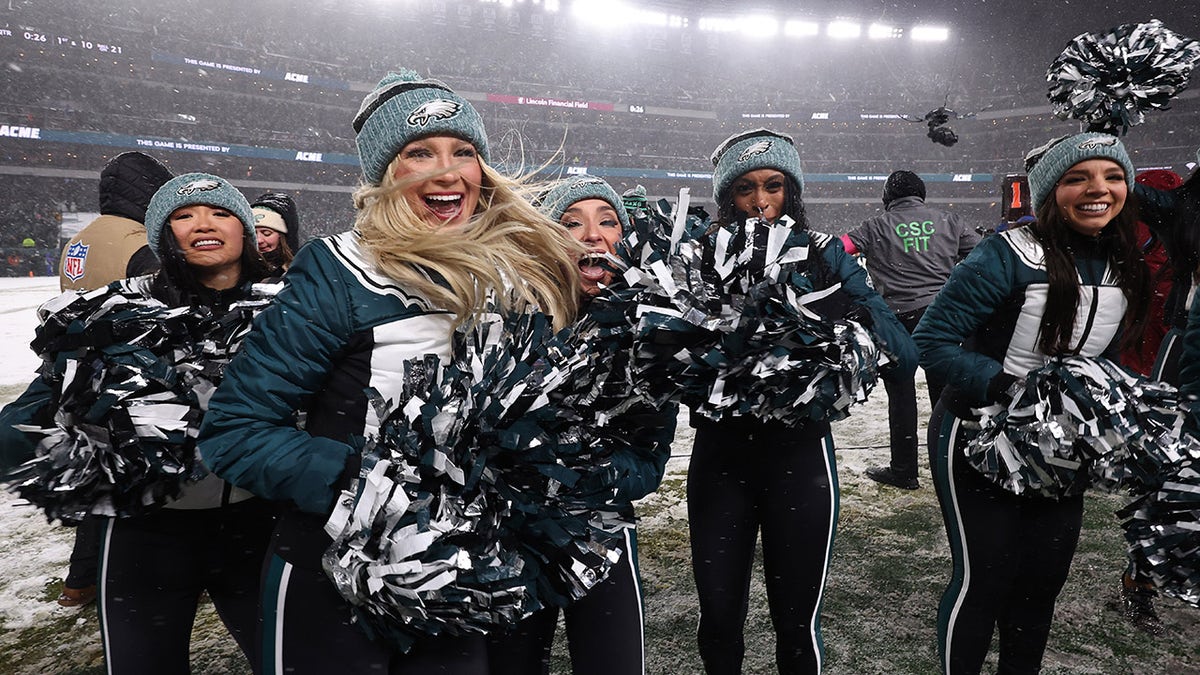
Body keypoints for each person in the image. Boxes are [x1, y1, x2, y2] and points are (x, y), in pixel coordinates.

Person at [196, 70, 582, 674]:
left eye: (465, 152)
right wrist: (368, 491)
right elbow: (236, 431)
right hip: (331, 577)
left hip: (456, 574)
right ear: (384, 174)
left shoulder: (517, 276)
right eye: (419, 153)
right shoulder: (337, 270)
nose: (447, 171)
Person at [0, 172, 278, 673]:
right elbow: (36, 408)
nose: (202, 224)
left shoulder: (290, 309)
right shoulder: (114, 311)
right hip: (144, 529)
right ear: (161, 235)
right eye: (182, 216)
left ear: (244, 229)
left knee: (286, 659)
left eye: (219, 212)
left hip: (257, 523)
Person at [914, 132, 1150, 674]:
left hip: (1061, 448)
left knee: (1040, 586)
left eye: (1113, 176)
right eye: (1077, 178)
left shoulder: (1125, 260)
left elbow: (1105, 356)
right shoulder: (1006, 253)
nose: (1099, 189)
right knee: (985, 580)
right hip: (979, 435)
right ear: (1050, 192)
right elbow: (931, 341)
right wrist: (1014, 391)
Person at [688, 129, 916, 674]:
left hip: (800, 461)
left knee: (796, 625)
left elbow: (902, 354)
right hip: (720, 460)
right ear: (727, 197)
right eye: (745, 188)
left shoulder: (825, 256)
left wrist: (833, 330)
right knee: (720, 618)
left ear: (792, 192)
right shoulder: (693, 260)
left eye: (773, 185)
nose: (760, 201)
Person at [486, 175, 677, 675]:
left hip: (602, 530)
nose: (593, 234)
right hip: (514, 533)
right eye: (571, 223)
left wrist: (589, 473)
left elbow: (650, 462)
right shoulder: (505, 324)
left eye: (607, 221)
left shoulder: (652, 334)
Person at [54, 150, 174, 608]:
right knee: (138, 481)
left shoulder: (79, 239)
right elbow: (167, 306)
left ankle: (80, 581)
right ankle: (132, 581)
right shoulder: (138, 241)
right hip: (133, 373)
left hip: (87, 371)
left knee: (102, 480)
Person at [842, 170, 978, 490]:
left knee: (901, 397)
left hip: (896, 320)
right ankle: (954, 468)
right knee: (945, 398)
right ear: (922, 194)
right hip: (941, 319)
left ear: (887, 197)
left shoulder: (875, 226)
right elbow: (983, 255)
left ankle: (904, 471)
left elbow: (838, 249)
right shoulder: (950, 221)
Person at [250, 192, 300, 270]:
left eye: (266, 233)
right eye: (253, 233)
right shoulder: (236, 272)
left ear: (283, 237)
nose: (259, 240)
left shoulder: (301, 273)